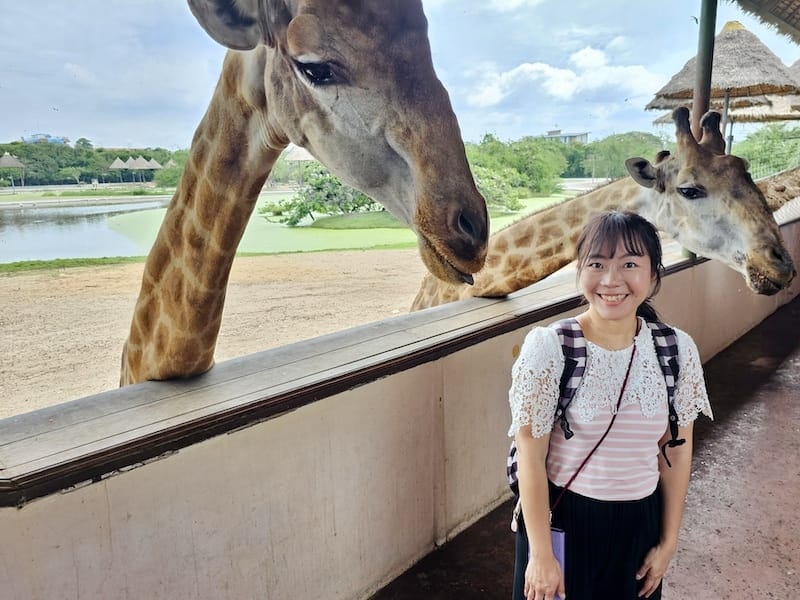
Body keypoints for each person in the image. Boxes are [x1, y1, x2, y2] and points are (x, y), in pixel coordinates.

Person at [508, 210, 712, 600]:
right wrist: (541, 555)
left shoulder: (675, 350)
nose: (611, 280)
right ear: (580, 271)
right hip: (564, 522)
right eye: (596, 264)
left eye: (630, 264)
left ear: (653, 275)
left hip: (640, 525)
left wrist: (668, 542)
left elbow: (676, 452)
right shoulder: (551, 347)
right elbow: (530, 458)